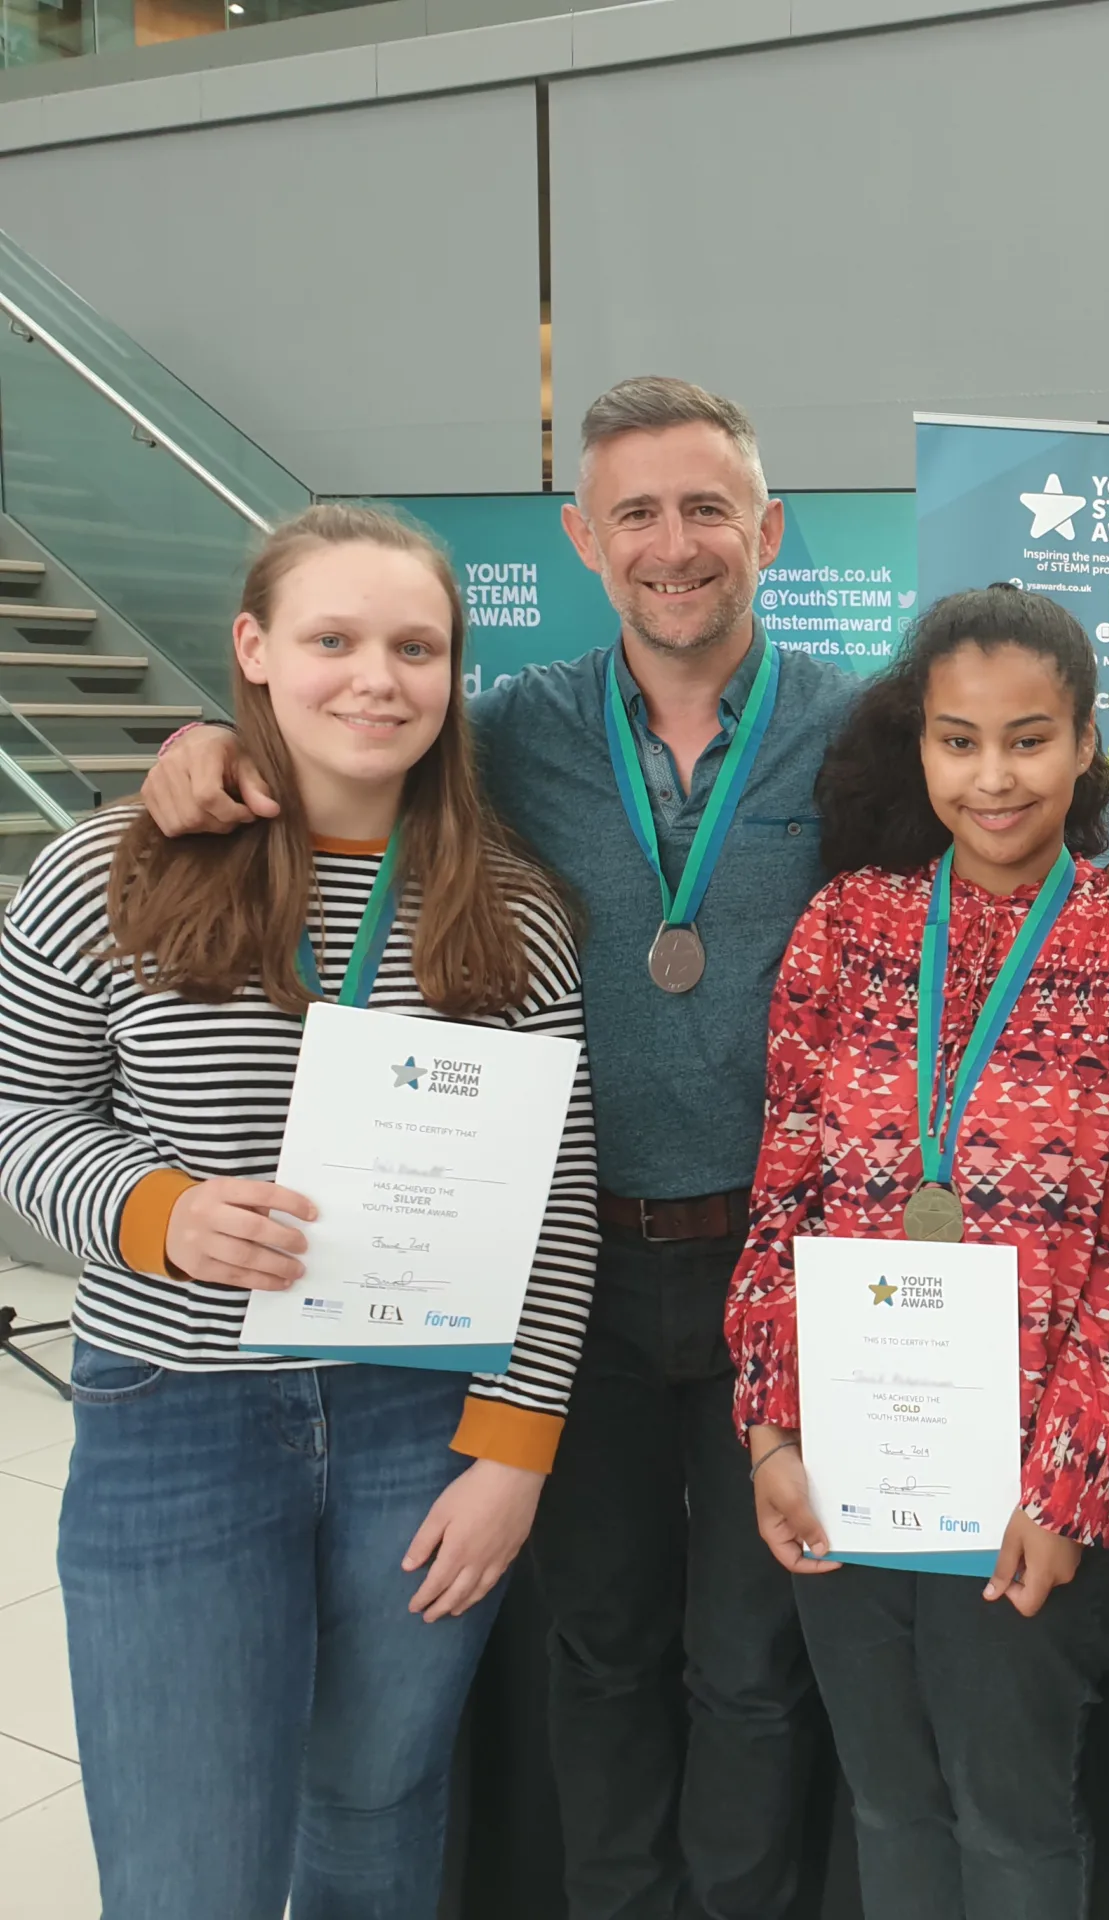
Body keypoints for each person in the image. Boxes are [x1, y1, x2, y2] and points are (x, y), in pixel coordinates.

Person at [136, 379, 1109, 1920]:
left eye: (709, 508)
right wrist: (194, 744)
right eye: (635, 510)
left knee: (757, 1660)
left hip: (785, 1276)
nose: (675, 543)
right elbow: (340, 765)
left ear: (768, 533)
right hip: (566, 1260)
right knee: (598, 1643)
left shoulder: (859, 730)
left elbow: (1006, 870)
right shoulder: (505, 734)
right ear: (584, 537)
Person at [0, 503, 597, 1919]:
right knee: (190, 1863)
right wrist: (158, 1212)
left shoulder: (508, 909)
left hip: (423, 1426)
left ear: (456, 674)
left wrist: (514, 1454)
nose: (376, 678)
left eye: (416, 646)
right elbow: (19, 1116)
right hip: (178, 1417)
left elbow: (556, 1208)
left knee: (378, 1828)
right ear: (254, 650)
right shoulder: (109, 871)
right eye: (333, 638)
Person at [728, 585, 1109, 1918]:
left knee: (1010, 1817)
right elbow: (784, 1200)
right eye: (959, 740)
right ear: (921, 746)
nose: (993, 777)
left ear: (1084, 740)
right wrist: (773, 1434)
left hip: (1032, 1481)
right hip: (851, 1452)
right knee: (889, 1798)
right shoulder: (847, 930)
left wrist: (1066, 1490)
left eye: (1028, 738)